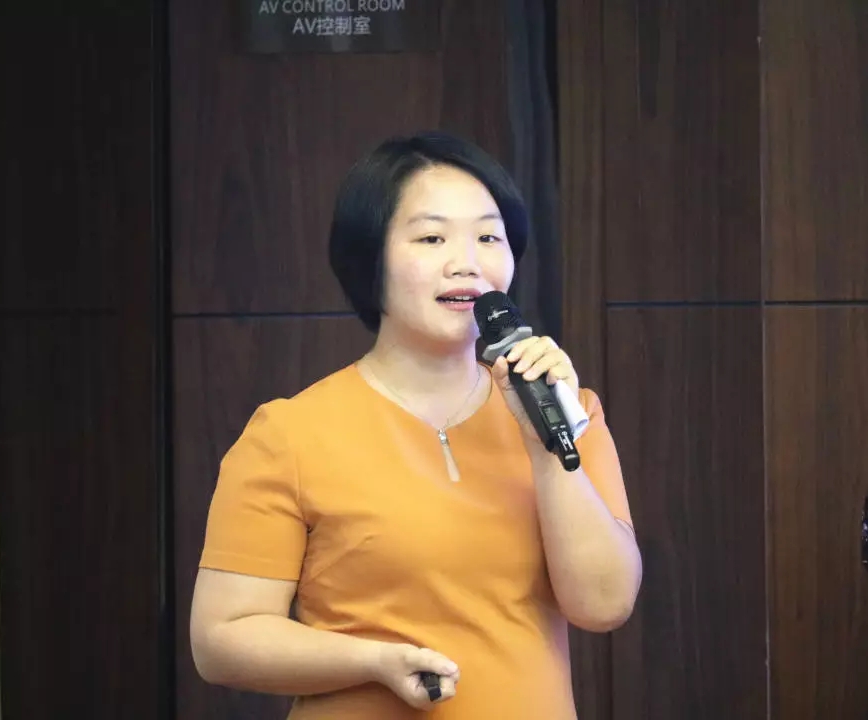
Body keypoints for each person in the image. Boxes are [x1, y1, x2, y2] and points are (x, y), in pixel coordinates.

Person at [189, 131, 642, 719]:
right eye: (432, 238)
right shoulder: (290, 434)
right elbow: (221, 639)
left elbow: (603, 605)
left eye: (488, 237)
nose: (467, 263)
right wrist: (373, 661)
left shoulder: (567, 408)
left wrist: (546, 447)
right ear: (369, 260)